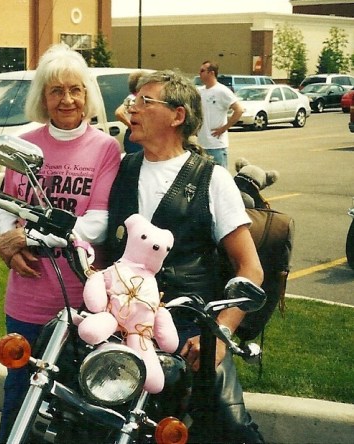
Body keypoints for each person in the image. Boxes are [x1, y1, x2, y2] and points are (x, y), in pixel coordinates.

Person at [106, 70, 265, 443]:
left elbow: (250, 269)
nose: (133, 109)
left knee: (231, 427)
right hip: (121, 327)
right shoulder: (122, 169)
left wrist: (221, 334)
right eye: (133, 101)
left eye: (146, 102)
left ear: (178, 116)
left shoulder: (212, 178)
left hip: (191, 332)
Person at [0, 43, 121, 443]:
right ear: (42, 97)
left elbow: (97, 224)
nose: (66, 99)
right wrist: (6, 240)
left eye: (75, 89)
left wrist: (28, 237)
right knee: (17, 396)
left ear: (87, 94)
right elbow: (6, 209)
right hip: (28, 298)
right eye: (55, 91)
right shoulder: (22, 143)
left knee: (73, 407)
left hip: (82, 302)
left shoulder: (105, 148)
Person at [197, 60, 243, 169]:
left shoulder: (222, 91)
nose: (199, 74)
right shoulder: (200, 91)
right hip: (201, 145)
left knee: (219, 177)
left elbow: (239, 110)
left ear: (211, 73)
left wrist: (224, 128)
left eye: (202, 71)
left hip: (216, 146)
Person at [114, 70, 146, 153]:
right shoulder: (133, 99)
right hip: (135, 138)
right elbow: (119, 112)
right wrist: (132, 126)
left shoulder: (134, 98)